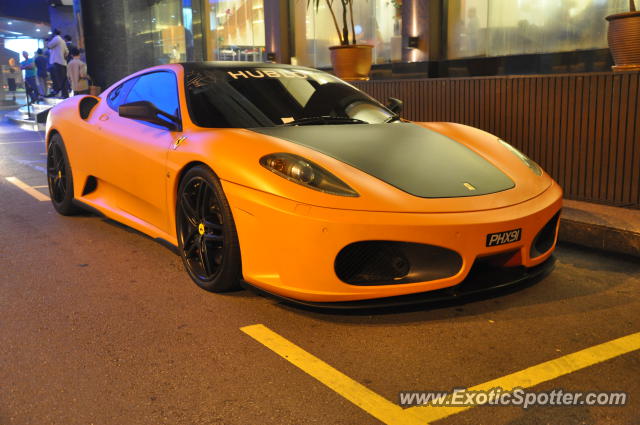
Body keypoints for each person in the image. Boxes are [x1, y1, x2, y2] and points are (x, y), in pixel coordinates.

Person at [46, 29, 69, 98]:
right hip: (62, 62)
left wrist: (48, 40)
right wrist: (62, 56)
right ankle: (64, 94)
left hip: (57, 62)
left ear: (54, 33)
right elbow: (67, 52)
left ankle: (61, 94)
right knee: (63, 79)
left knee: (58, 80)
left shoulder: (56, 39)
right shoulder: (62, 41)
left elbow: (49, 46)